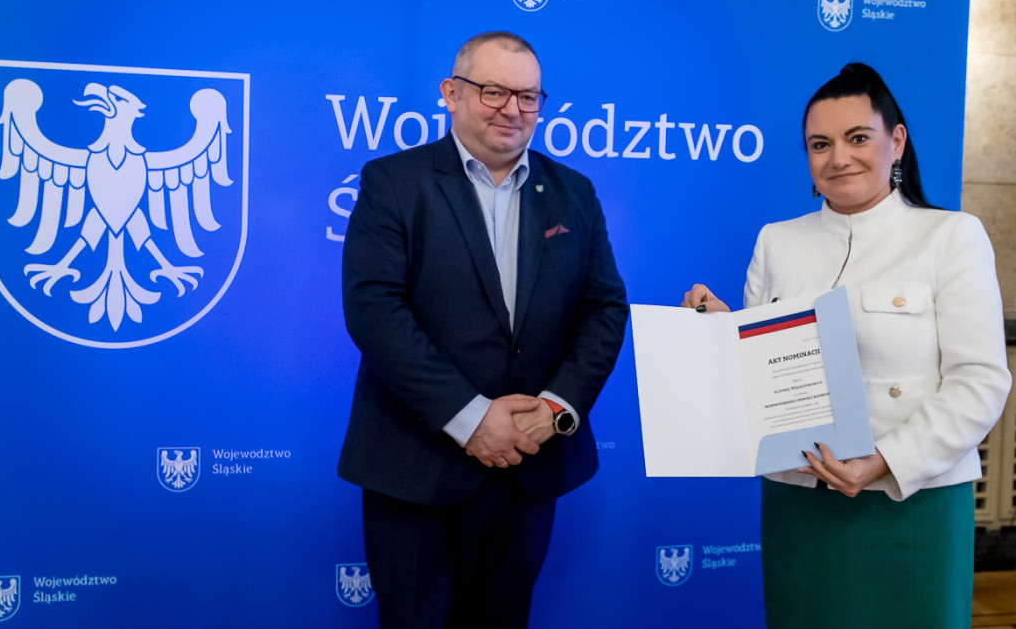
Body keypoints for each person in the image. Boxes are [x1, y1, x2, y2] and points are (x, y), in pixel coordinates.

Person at [682, 63, 1010, 628]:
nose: (839, 158)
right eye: (820, 144)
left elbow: (980, 381)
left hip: (912, 500)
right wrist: (720, 330)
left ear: (896, 142)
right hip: (800, 500)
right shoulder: (777, 241)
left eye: (858, 138)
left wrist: (884, 462)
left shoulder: (951, 236)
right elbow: (761, 375)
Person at [338, 31, 628, 629]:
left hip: (530, 463)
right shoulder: (394, 182)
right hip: (416, 466)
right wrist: (471, 419)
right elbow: (374, 309)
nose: (512, 110)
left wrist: (556, 408)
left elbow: (604, 309)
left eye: (528, 96)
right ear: (451, 93)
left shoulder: (574, 193)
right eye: (493, 91)